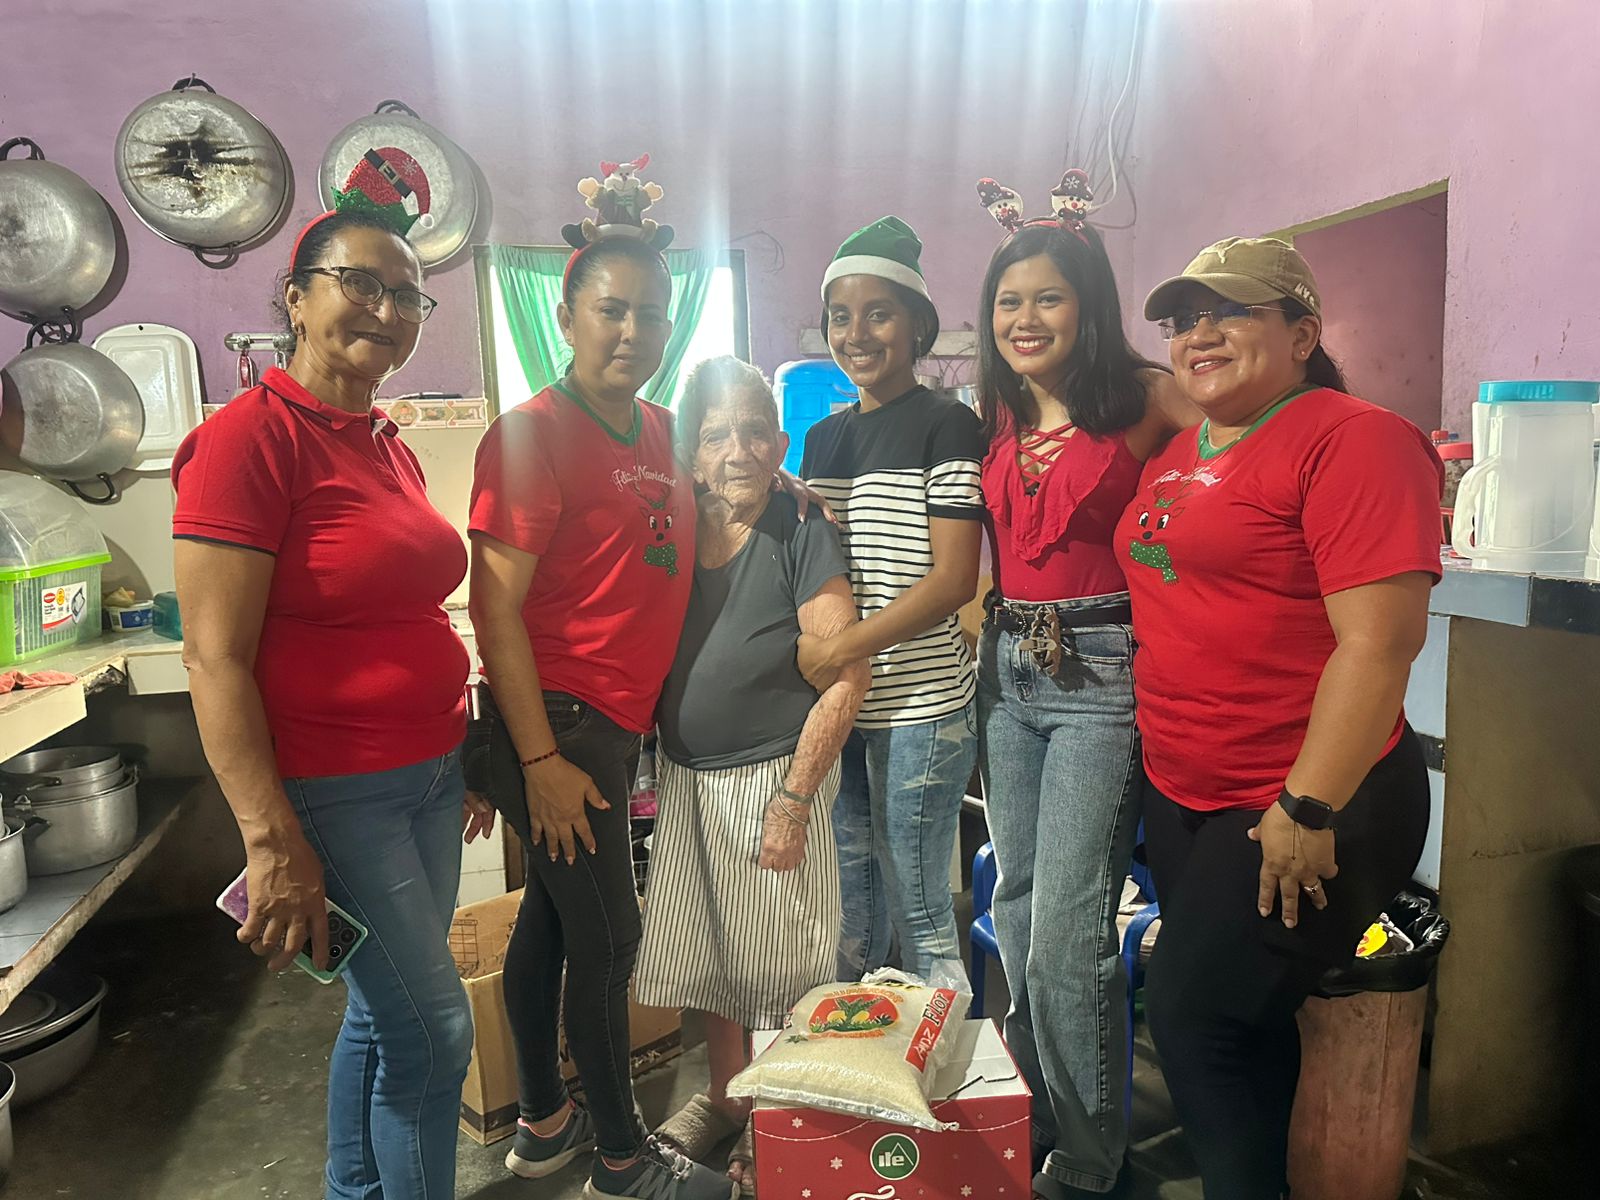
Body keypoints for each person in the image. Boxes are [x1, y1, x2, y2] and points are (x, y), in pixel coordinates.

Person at [173, 153, 491, 1200]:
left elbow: (404, 609)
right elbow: (214, 657)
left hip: (429, 775)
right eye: (361, 283)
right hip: (334, 789)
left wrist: (460, 748)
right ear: (297, 298)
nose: (387, 311)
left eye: (407, 294)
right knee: (434, 1030)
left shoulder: (382, 440)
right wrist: (270, 839)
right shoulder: (247, 442)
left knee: (382, 1012)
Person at [1120, 237, 1442, 1199]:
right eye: (1185, 319)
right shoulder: (1180, 450)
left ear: (1303, 335)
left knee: (1195, 1022)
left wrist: (1308, 805)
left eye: (1231, 312)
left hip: (1307, 796)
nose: (1200, 333)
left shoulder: (1355, 438)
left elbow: (1380, 644)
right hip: (1186, 790)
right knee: (1246, 1030)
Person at [467, 171, 740, 1200]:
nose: (633, 331)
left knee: (551, 924)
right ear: (566, 315)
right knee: (611, 938)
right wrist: (537, 760)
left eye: (652, 314)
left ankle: (543, 1124)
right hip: (560, 728)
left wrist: (784, 486)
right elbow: (494, 608)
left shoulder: (664, 430)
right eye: (611, 310)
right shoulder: (529, 434)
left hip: (612, 728)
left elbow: (722, 490)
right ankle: (625, 1163)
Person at [970, 175, 1195, 1200]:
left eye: (1047, 299)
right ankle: (1046, 1115)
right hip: (1006, 670)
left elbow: (1241, 446)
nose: (1025, 319)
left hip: (1102, 673)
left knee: (1067, 931)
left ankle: (1091, 1163)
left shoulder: (1142, 398)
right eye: (1008, 301)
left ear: (1088, 305)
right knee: (1015, 914)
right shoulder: (999, 410)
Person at [636, 356, 870, 1194]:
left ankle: (782, 1116)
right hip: (687, 777)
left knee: (782, 966)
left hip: (772, 777)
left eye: (754, 431)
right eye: (715, 435)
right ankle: (729, 1098)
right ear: (688, 454)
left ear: (778, 443)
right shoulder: (671, 522)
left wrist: (795, 801)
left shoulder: (802, 528)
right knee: (710, 953)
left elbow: (846, 674)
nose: (737, 450)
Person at [797, 216, 985, 986]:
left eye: (878, 314)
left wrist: (840, 650)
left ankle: (945, 1051)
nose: (856, 334)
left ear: (917, 326)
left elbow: (954, 581)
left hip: (922, 706)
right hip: (846, 706)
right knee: (856, 908)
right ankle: (866, 1048)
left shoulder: (949, 424)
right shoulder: (822, 440)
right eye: (840, 316)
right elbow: (819, 566)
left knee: (920, 910)